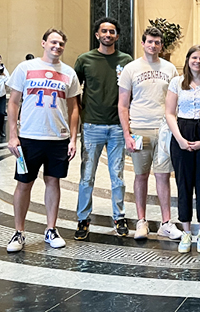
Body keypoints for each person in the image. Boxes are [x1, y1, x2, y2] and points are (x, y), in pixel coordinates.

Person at [5, 28, 81, 252]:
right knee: (24, 184)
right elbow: (13, 102)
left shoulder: (68, 73)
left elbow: (74, 107)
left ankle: (51, 229)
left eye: (61, 44)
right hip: (30, 137)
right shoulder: (25, 68)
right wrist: (12, 135)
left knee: (53, 182)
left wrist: (73, 139)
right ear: (43, 43)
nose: (57, 47)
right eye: (53, 42)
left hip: (58, 137)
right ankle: (18, 232)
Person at [118, 27, 182, 241]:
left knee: (163, 176)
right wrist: (127, 133)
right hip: (139, 128)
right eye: (149, 42)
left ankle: (166, 222)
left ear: (161, 45)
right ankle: (141, 221)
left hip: (164, 129)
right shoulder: (131, 68)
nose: (153, 45)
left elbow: (176, 100)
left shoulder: (170, 68)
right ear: (143, 43)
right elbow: (123, 104)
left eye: (157, 42)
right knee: (141, 175)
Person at [73, 17, 133, 240]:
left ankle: (119, 217)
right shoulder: (85, 59)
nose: (108, 35)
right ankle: (83, 218)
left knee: (117, 176)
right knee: (87, 176)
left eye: (112, 31)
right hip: (92, 126)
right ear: (97, 35)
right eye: (104, 31)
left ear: (117, 36)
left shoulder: (126, 60)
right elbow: (73, 90)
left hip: (117, 127)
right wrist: (83, 112)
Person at [165, 45, 200, 254]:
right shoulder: (177, 82)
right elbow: (169, 113)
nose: (198, 62)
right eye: (194, 57)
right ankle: (185, 230)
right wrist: (180, 139)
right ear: (187, 59)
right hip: (181, 132)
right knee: (183, 183)